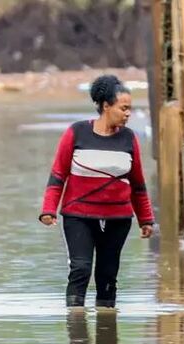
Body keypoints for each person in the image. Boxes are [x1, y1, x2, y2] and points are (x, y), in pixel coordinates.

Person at [40, 75, 155, 309]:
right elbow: (58, 175)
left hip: (118, 218)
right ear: (106, 106)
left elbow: (137, 183)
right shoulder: (76, 133)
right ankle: (77, 331)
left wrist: (146, 219)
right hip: (78, 216)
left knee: (108, 275)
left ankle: (106, 334)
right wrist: (48, 210)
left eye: (130, 109)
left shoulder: (129, 138)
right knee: (80, 268)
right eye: (123, 108)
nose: (128, 113)